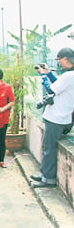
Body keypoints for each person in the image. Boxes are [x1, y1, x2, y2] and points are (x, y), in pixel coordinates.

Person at [30, 47, 74, 188]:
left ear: (66, 59)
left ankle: (48, 178)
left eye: (60, 60)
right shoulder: (69, 76)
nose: (59, 63)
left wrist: (43, 75)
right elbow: (57, 85)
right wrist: (48, 74)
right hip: (59, 117)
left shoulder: (69, 76)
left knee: (49, 148)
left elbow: (51, 89)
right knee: (47, 147)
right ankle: (45, 174)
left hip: (57, 118)